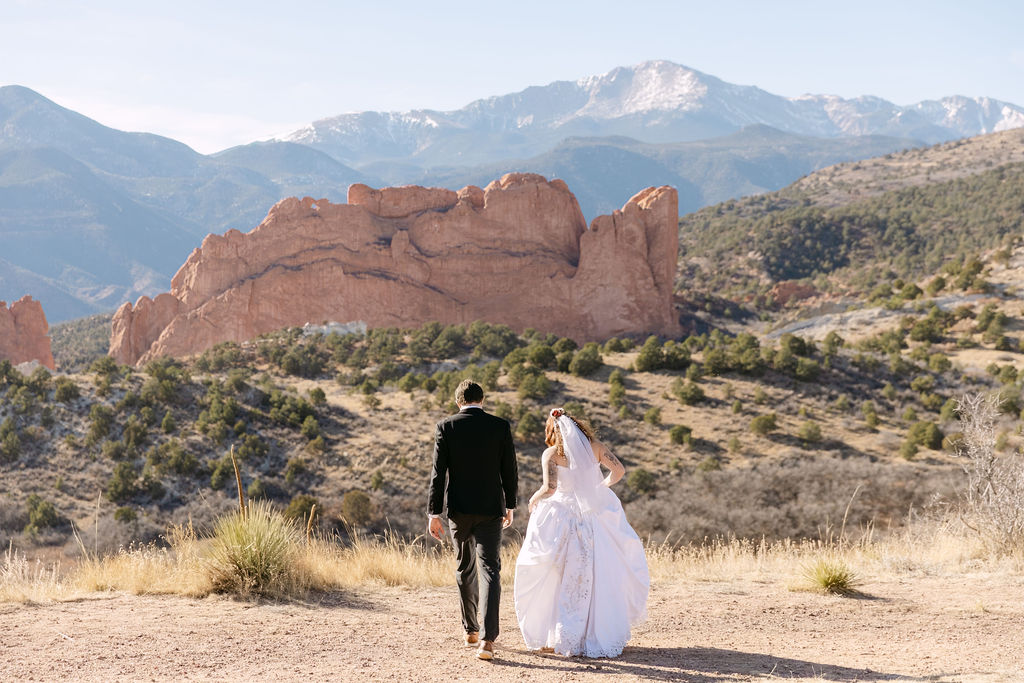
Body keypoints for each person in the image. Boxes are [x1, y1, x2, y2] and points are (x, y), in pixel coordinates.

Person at [514, 407, 649, 658]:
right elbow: (618, 471)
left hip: (562, 517)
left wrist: (533, 499)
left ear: (552, 430)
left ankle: (564, 633)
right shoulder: (595, 447)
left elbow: (550, 488)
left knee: (560, 575)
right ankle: (593, 632)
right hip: (594, 514)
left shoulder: (552, 454)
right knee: (597, 572)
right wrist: (599, 487)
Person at [427, 379, 518, 660]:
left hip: (459, 509)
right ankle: (488, 641)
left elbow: (438, 473)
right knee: (490, 570)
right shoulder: (500, 426)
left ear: (458, 401)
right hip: (491, 508)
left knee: (464, 566)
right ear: (482, 400)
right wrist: (510, 505)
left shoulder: (447, 426)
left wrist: (434, 512)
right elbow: (510, 471)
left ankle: (471, 630)